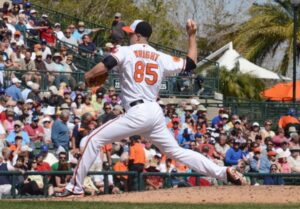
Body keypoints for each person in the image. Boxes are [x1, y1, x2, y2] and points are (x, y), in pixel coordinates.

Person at [57, 19, 246, 197]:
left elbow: (107, 64)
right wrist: (191, 36)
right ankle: (224, 172)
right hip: (154, 113)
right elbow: (191, 64)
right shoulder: (160, 56)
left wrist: (87, 74)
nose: (129, 36)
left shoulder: (126, 51)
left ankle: (75, 186)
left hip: (137, 112)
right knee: (177, 152)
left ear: (138, 36)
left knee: (90, 140)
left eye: (131, 33)